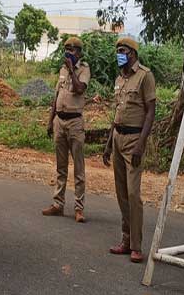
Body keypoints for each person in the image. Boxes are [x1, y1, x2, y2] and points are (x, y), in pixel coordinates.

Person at [103, 37, 156, 264]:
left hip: (134, 139)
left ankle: (136, 246)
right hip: (117, 138)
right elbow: (117, 115)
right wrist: (107, 145)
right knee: (122, 193)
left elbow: (151, 111)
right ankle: (125, 240)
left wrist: (141, 144)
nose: (119, 54)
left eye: (122, 50)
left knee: (134, 195)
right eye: (117, 51)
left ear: (132, 53)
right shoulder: (119, 79)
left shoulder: (145, 76)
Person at [42, 36, 91, 222]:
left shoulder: (84, 69)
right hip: (59, 122)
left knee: (78, 168)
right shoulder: (62, 69)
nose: (69, 52)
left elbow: (79, 89)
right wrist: (50, 121)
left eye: (72, 49)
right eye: (67, 48)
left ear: (79, 52)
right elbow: (56, 97)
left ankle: (79, 208)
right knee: (60, 167)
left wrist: (72, 71)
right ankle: (58, 204)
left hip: (75, 122)